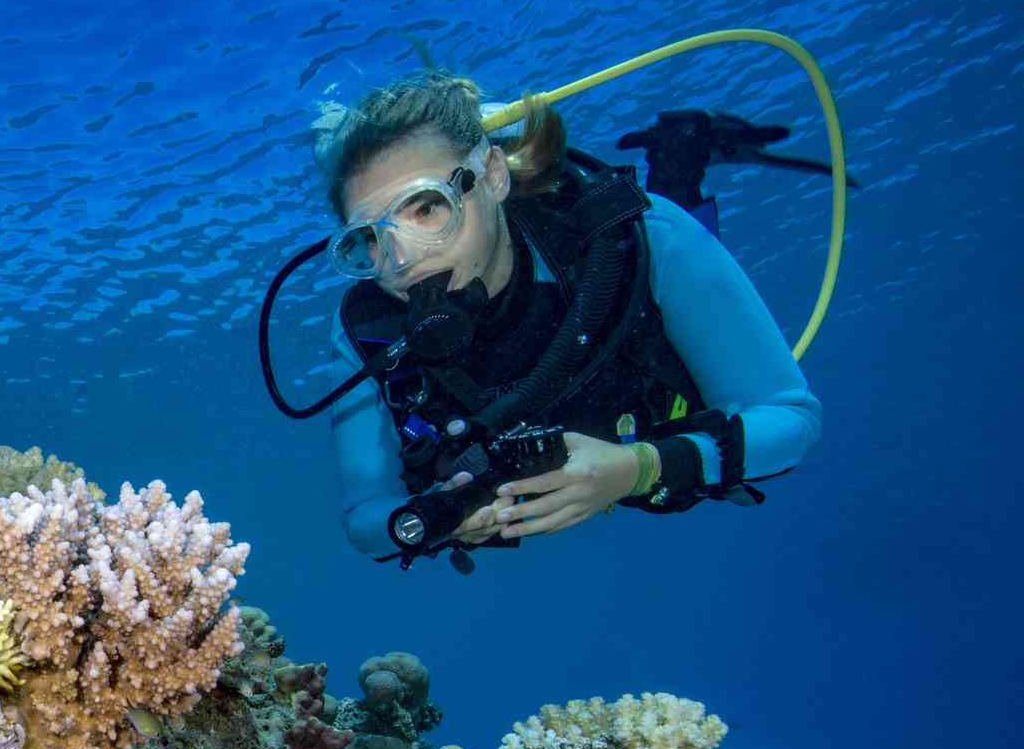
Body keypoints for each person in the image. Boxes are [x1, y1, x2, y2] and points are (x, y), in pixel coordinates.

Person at [316, 71, 822, 563]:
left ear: (493, 176)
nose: (403, 261)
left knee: (686, 232)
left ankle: (681, 150)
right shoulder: (369, 331)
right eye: (373, 239)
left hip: (660, 388)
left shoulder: (641, 237)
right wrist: (428, 518)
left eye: (427, 209)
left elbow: (790, 419)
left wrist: (638, 468)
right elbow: (366, 515)